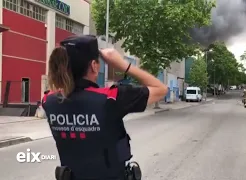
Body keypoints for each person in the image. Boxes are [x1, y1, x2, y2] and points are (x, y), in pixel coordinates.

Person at [42, 35, 168, 180]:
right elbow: (161, 89)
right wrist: (123, 65)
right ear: (94, 66)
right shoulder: (111, 98)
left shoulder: (49, 101)